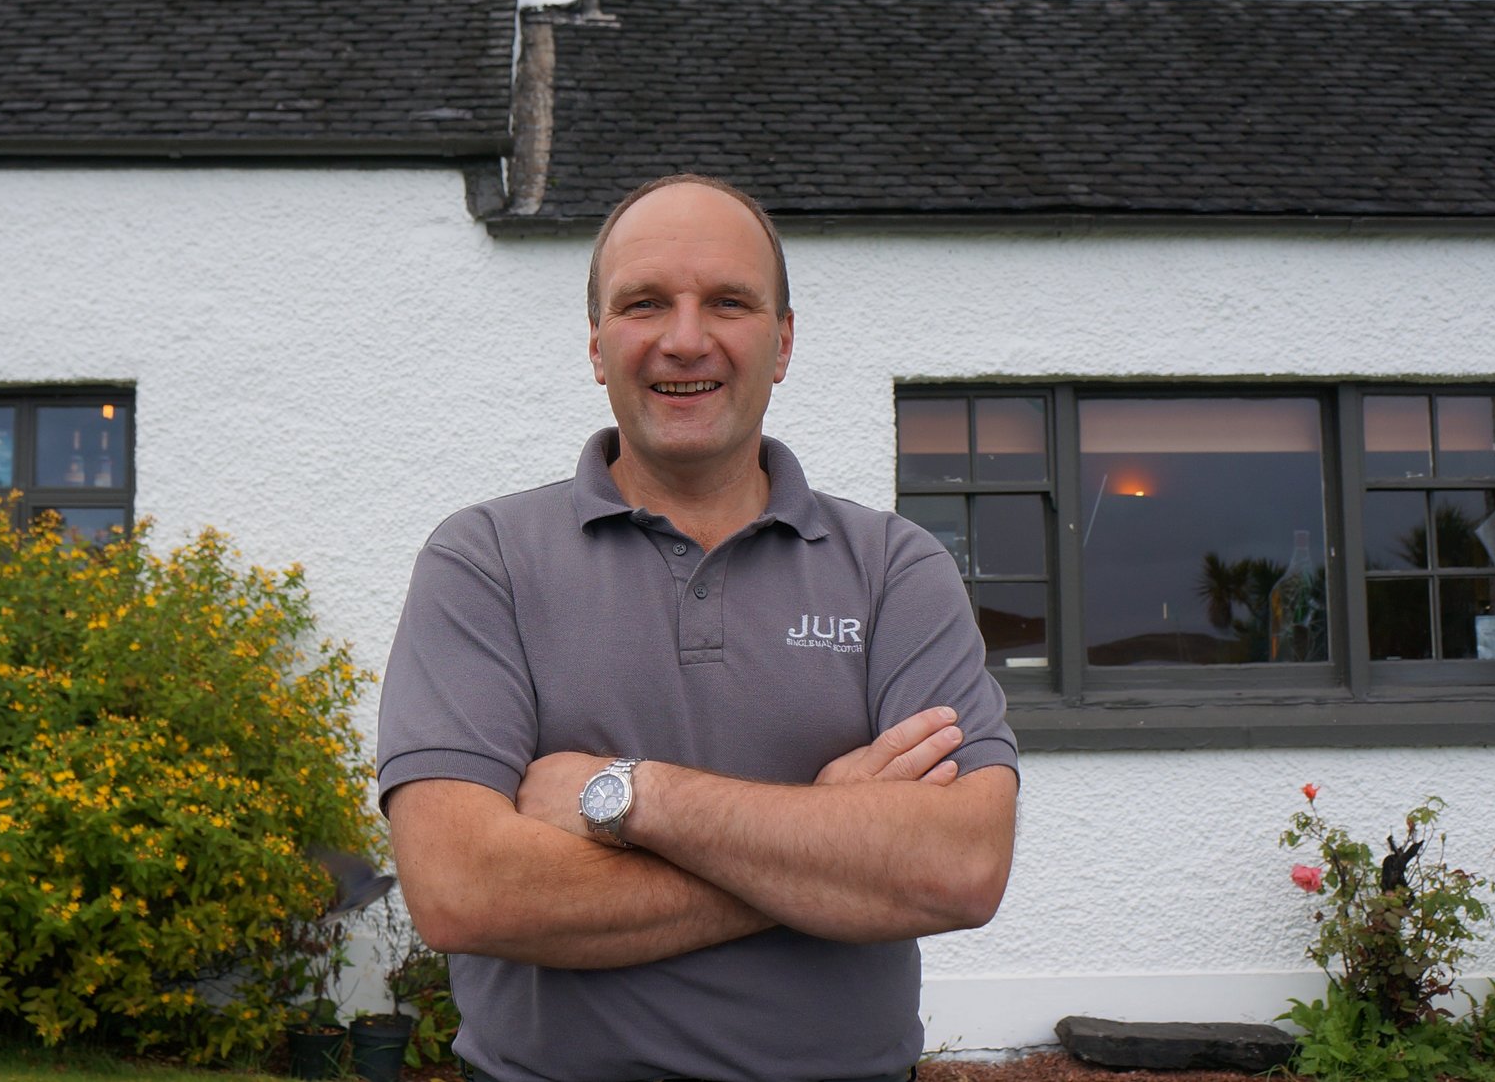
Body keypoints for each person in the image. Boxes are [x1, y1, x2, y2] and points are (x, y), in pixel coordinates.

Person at [377, 174, 1020, 1082]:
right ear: (597, 345)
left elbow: (961, 865)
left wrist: (631, 799)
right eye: (644, 304)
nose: (685, 338)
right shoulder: (484, 559)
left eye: (727, 301)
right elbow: (461, 890)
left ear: (783, 341)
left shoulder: (894, 567)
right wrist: (832, 845)